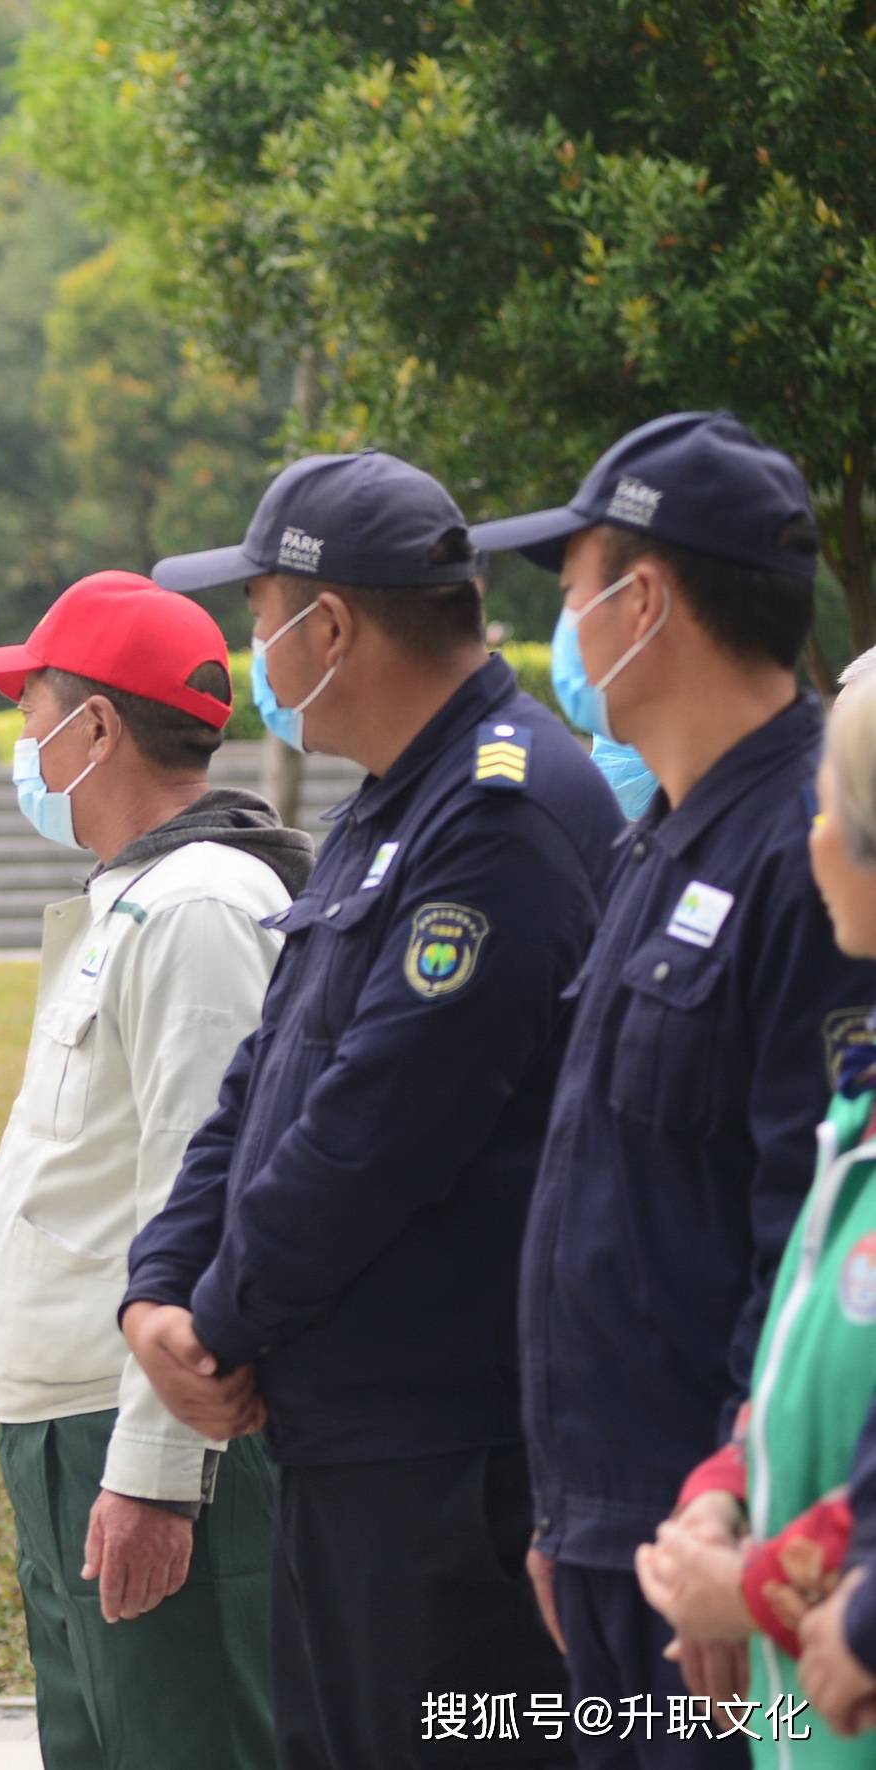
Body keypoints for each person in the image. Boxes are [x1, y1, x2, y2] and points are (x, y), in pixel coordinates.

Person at [127, 449, 622, 1768]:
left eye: (256, 613)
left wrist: (217, 1324)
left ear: (325, 623)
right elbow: (264, 1072)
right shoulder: (387, 805)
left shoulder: (499, 808)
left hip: (447, 1456)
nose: (253, 651)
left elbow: (378, 1123)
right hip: (347, 1436)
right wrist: (157, 1288)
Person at [471, 411, 876, 1768]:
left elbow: (804, 1235)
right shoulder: (654, 840)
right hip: (616, 1534)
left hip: (720, 1555)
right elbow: (599, 1192)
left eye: (573, 588)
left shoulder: (806, 857)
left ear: (643, 600)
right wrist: (564, 1512)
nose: (564, 630)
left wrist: (732, 1529)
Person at [0, 571, 310, 1770]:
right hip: (65, 1422)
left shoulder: (201, 908)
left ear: (94, 726)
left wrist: (158, 1476)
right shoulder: (145, 898)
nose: (20, 738)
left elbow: (195, 1205)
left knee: (184, 1742)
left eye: (29, 705)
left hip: (131, 1431)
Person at [628, 668, 876, 1760]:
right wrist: (721, 1492)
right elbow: (798, 1363)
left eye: (827, 809)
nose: (809, 838)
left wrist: (761, 1589)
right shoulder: (855, 1111)